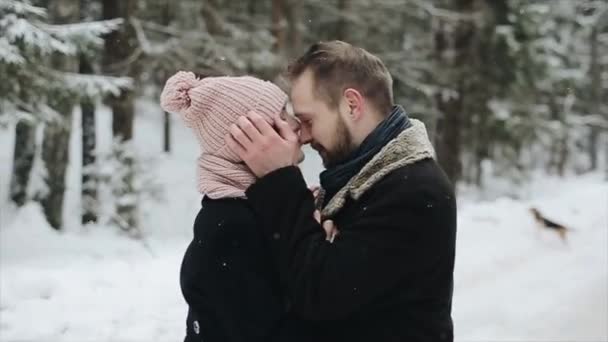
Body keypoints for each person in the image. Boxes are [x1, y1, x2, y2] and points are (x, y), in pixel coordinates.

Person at [226, 40, 457, 341]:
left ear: (351, 104)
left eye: (308, 120)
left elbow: (318, 293)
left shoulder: (414, 191)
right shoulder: (364, 182)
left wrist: (279, 178)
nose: (304, 136)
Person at [160, 72, 303, 342]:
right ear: (246, 141)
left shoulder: (251, 209)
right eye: (282, 116)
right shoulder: (233, 225)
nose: (296, 125)